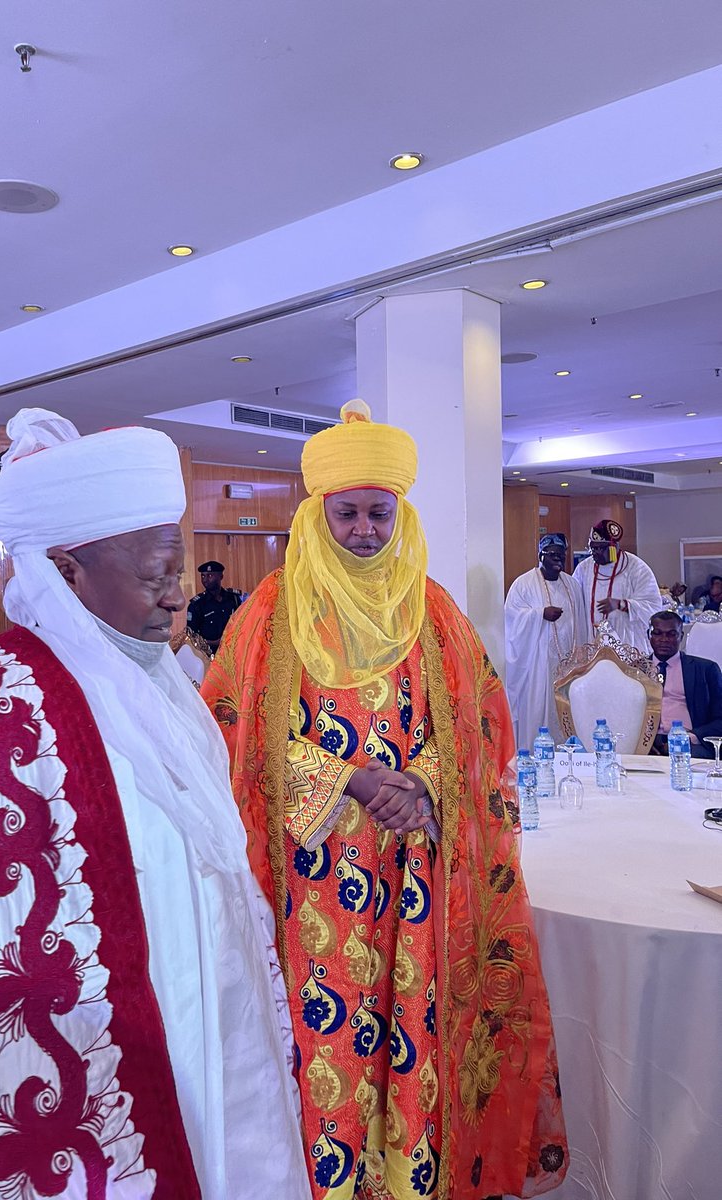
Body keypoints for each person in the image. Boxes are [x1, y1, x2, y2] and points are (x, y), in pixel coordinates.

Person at [0, 408, 308, 1200]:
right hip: (95, 1064)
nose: (179, 596)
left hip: (205, 1042)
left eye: (180, 570)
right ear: (65, 572)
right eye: (155, 574)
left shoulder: (160, 687)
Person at [202, 400, 567, 1200]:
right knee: (328, 1030)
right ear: (316, 510)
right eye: (348, 513)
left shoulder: (433, 609)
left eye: (379, 512)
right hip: (319, 872)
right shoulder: (270, 611)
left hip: (417, 864)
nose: (365, 530)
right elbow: (231, 731)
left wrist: (426, 786)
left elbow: (483, 723)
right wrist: (358, 780)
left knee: (416, 1023)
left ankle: (409, 1177)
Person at [504, 532, 589, 751]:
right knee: (538, 714)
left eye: (562, 555)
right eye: (552, 555)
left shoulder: (572, 585)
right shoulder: (523, 584)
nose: (558, 560)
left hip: (568, 666)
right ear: (540, 555)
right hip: (538, 667)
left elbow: (581, 622)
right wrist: (540, 614)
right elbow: (512, 618)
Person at [572, 519, 661, 653]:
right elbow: (574, 601)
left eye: (599, 548)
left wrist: (622, 604)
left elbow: (654, 607)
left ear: (613, 547)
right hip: (591, 644)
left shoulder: (636, 568)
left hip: (627, 644)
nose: (594, 552)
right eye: (592, 547)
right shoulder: (584, 568)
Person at [648, 610, 722, 758]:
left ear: (681, 636)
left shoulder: (705, 669)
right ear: (649, 636)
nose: (664, 639)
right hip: (646, 745)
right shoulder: (634, 670)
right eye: (657, 633)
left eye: (671, 634)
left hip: (690, 744)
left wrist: (692, 737)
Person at [186, 560, 243, 652]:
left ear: (221, 576)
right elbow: (191, 637)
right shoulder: (197, 604)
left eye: (210, 575)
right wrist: (215, 643)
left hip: (233, 652)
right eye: (203, 576)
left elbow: (242, 623)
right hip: (209, 655)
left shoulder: (233, 599)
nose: (205, 579)